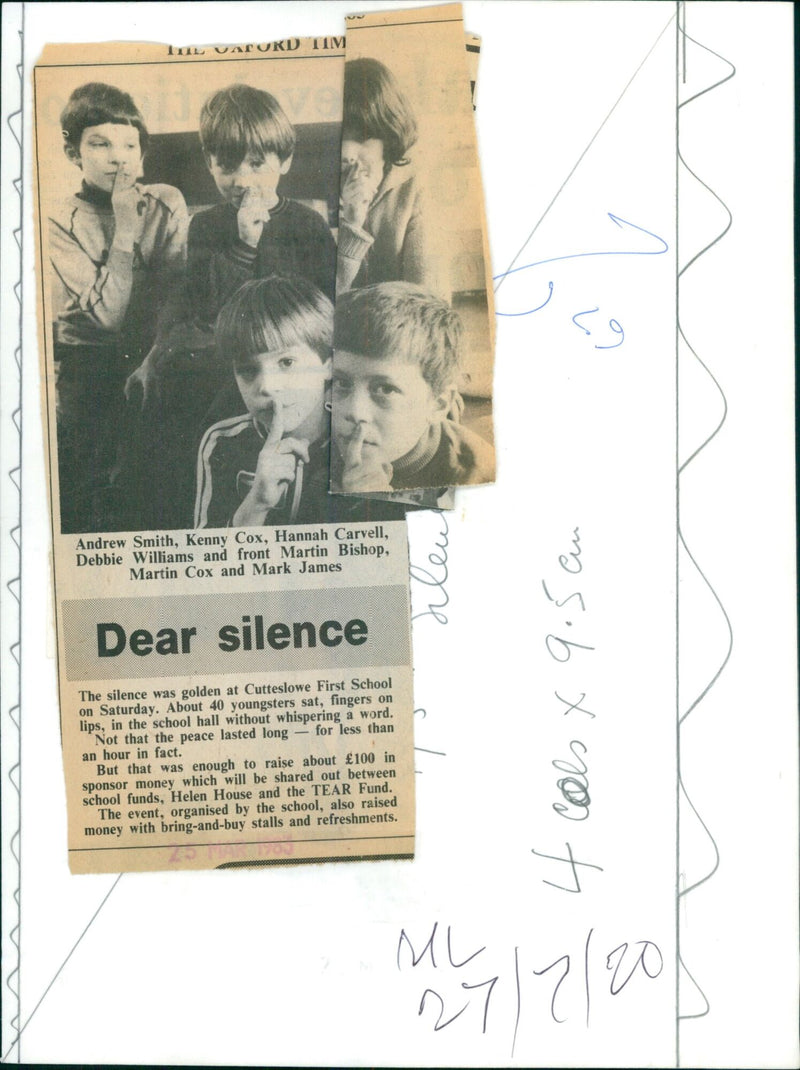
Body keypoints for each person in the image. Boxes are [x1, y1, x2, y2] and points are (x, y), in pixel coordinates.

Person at [49, 81, 188, 532]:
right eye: (101, 144)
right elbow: (107, 319)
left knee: (157, 481)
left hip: (152, 352)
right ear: (74, 154)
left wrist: (156, 352)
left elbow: (176, 293)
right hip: (89, 364)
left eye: (130, 145)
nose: (119, 157)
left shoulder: (166, 202)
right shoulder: (57, 221)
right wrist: (124, 227)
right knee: (88, 487)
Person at [194, 277, 405, 528]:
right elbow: (208, 559)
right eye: (248, 370)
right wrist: (256, 504)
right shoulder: (223, 442)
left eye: (286, 363)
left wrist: (372, 504)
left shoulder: (364, 442)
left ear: (329, 365)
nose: (267, 387)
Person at [330, 282, 494, 493]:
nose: (354, 411)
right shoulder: (310, 446)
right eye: (342, 383)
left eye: (385, 389)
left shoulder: (475, 481)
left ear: (438, 405)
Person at [336, 58, 446, 297]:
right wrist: (351, 227)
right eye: (339, 137)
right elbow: (318, 308)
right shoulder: (316, 193)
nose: (346, 153)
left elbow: (428, 300)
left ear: (388, 138)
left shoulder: (416, 189)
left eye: (362, 138)